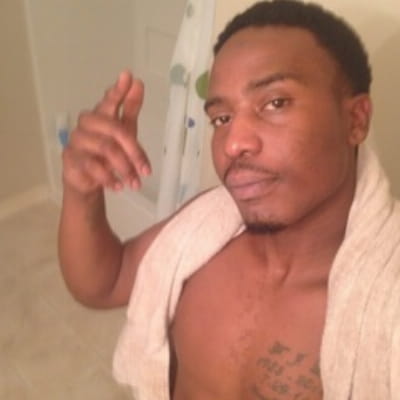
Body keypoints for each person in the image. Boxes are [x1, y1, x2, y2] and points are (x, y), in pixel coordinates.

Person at [58, 1, 400, 399]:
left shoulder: (387, 306)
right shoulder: (204, 230)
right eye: (221, 118)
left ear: (356, 120)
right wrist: (81, 191)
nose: (233, 143)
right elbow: (104, 283)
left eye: (275, 103)